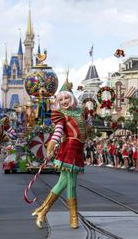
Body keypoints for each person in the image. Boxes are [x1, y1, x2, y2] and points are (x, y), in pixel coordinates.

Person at [33, 88, 88, 229]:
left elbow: (86, 128)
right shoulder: (60, 115)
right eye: (60, 99)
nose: (64, 101)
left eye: (66, 98)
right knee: (71, 184)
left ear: (72, 99)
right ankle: (73, 217)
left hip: (78, 150)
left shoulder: (80, 112)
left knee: (62, 183)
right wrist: (51, 146)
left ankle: (42, 211)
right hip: (69, 150)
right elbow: (58, 131)